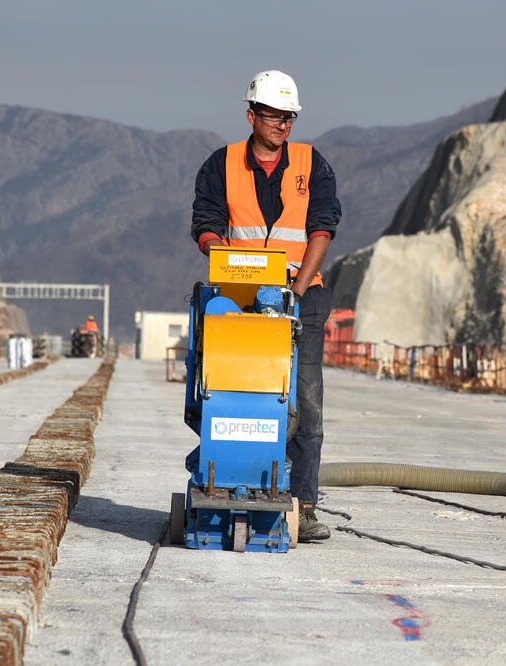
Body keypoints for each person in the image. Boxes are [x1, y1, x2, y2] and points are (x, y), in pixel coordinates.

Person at [191, 70, 341, 542]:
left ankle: (305, 504)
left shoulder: (312, 165)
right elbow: (207, 225)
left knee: (304, 401)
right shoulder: (222, 163)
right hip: (238, 302)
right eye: (273, 115)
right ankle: (225, 479)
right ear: (251, 114)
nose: (282, 124)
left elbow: (321, 229)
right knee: (228, 392)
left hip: (303, 297)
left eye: (289, 117)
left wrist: (293, 290)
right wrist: (224, 259)